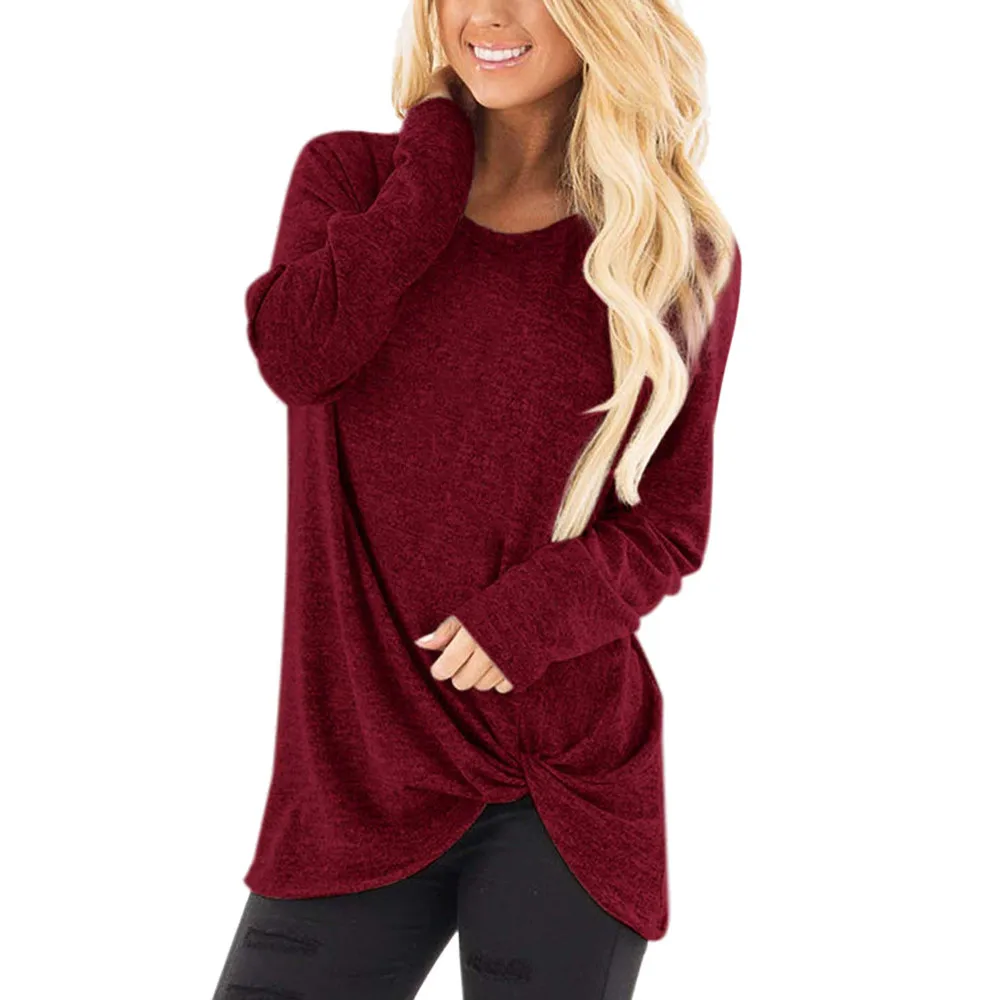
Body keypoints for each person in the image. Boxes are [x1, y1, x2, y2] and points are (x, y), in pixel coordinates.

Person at [213, 1, 742, 997]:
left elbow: (669, 525)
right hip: (356, 777)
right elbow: (298, 358)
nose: (488, 13)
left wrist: (530, 615)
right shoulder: (353, 179)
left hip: (560, 780)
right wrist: (434, 162)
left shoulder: (670, 248)